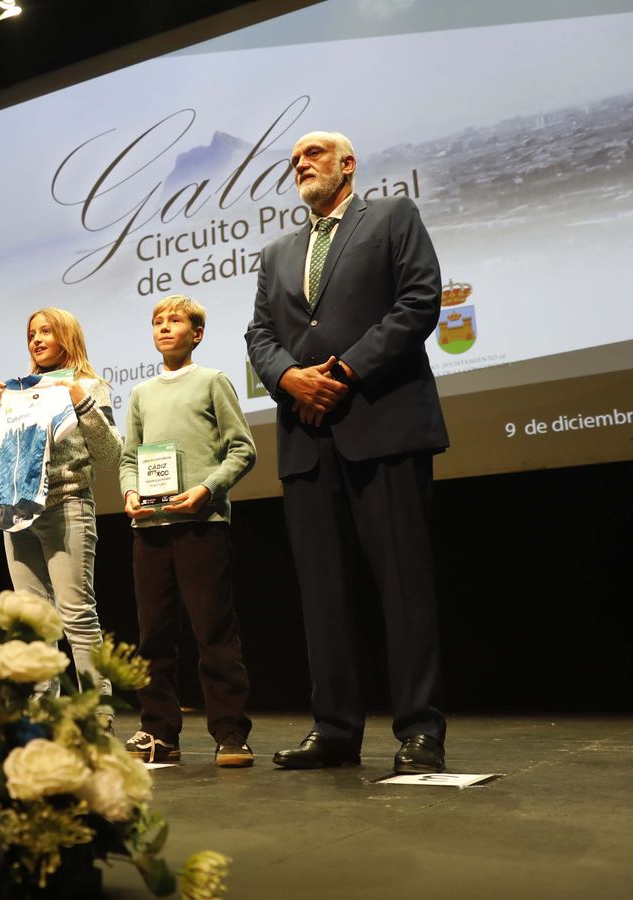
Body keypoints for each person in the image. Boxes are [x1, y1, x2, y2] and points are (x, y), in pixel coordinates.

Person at [244, 131, 450, 774]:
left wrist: (343, 373)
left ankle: (420, 730)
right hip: (307, 441)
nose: (300, 165)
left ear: (347, 164)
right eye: (294, 160)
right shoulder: (278, 252)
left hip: (382, 427)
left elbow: (420, 302)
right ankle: (335, 729)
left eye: (312, 155)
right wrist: (288, 378)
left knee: (403, 587)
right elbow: (259, 333)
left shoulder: (391, 216)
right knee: (322, 594)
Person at [119, 295, 257, 767]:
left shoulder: (212, 382)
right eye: (157, 321)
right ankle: (159, 733)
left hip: (202, 524)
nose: (164, 327)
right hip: (151, 529)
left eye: (175, 320)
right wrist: (131, 492)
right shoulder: (140, 394)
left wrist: (207, 489)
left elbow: (242, 450)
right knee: (153, 636)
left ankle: (230, 733)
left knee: (213, 631)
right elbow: (128, 458)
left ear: (197, 334)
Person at [0, 307, 122, 709]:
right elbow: (6, 455)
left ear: (68, 337)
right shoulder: (18, 392)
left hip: (67, 507)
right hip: (16, 512)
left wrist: (83, 404)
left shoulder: (89, 386)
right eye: (31, 333)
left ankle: (98, 711)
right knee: (32, 621)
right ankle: (41, 713)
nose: (37, 339)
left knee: (76, 614)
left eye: (46, 331)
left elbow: (111, 455)